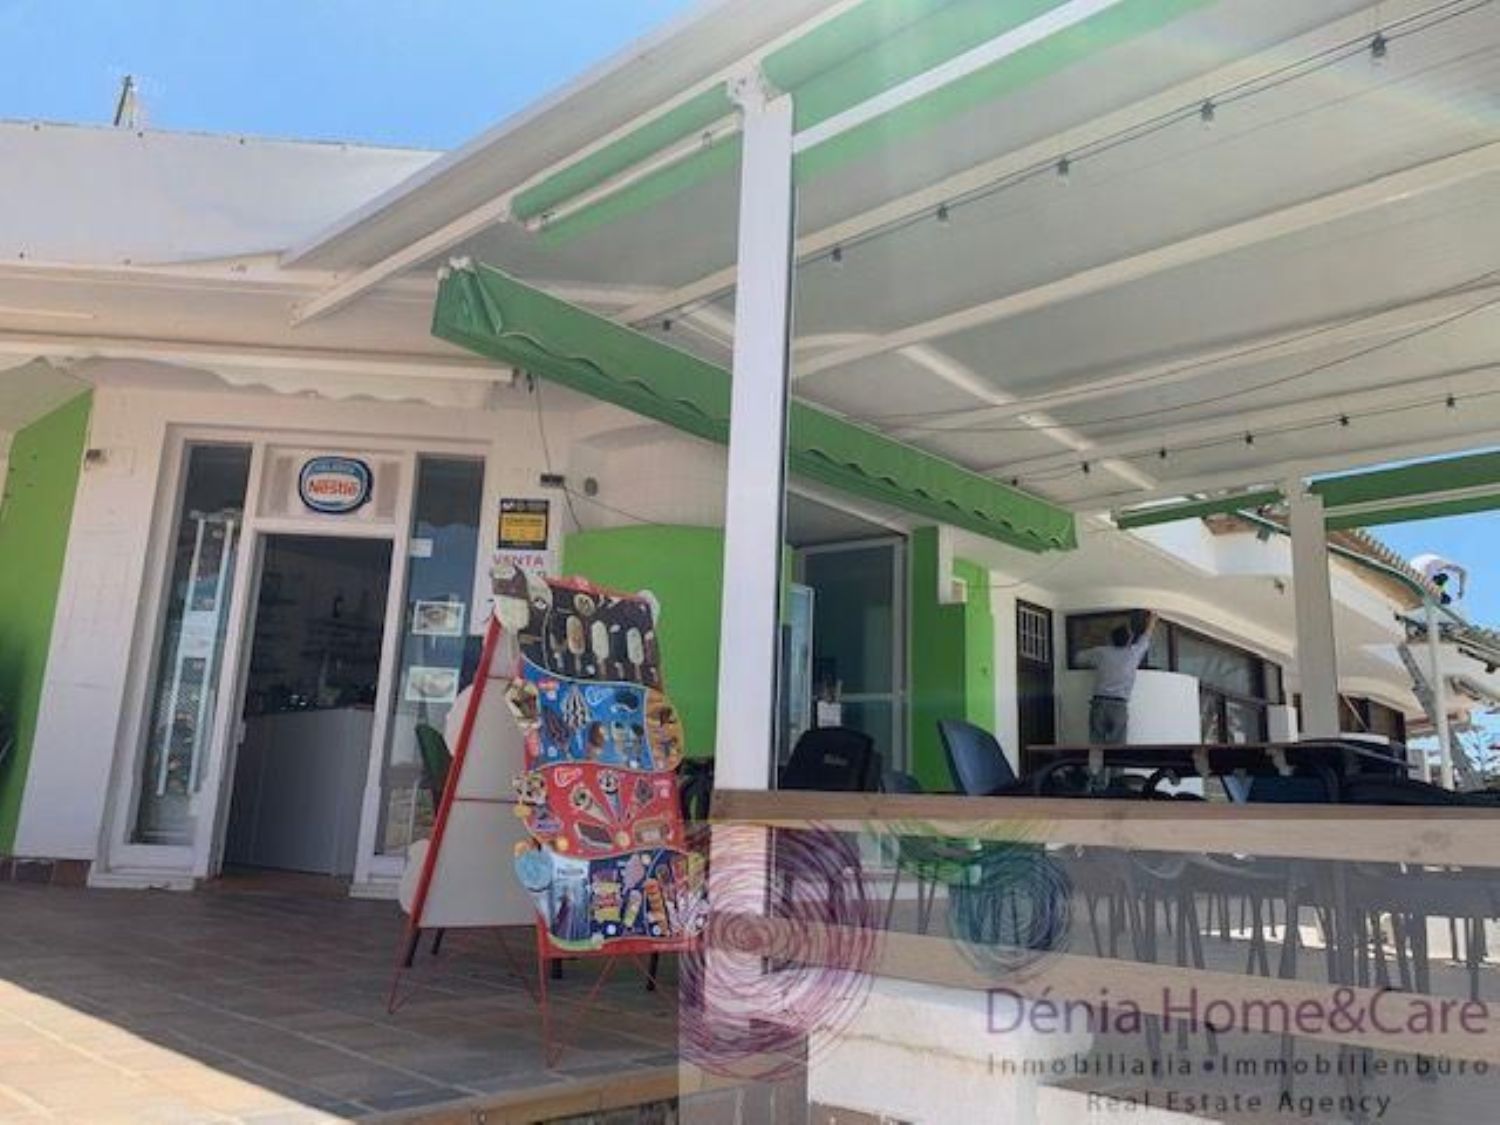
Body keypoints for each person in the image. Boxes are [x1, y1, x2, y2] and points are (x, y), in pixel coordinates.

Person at [1077, 611, 1158, 745]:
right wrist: (1152, 620)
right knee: (1118, 748)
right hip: (1119, 706)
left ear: (1111, 639)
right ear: (1129, 640)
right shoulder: (1133, 653)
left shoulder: (1101, 652)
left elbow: (1078, 658)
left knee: (1096, 747)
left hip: (1099, 703)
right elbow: (1146, 636)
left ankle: (1096, 760)